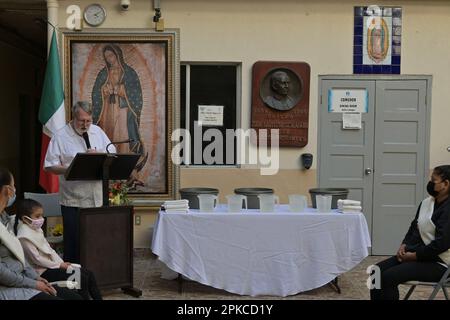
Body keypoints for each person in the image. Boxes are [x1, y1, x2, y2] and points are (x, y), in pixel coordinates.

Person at [44, 101, 116, 263]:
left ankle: (94, 277)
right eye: (81, 121)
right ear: (73, 118)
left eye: (88, 121)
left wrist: (99, 155)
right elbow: (49, 166)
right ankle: (74, 282)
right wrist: (72, 166)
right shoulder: (60, 136)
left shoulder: (97, 131)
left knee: (96, 241)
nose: (85, 125)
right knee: (74, 243)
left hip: (97, 198)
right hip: (73, 200)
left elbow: (113, 153)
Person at [0, 168, 82, 300]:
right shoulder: (22, 232)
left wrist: (36, 278)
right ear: (8, 190)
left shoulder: (5, 218)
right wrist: (34, 283)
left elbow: (20, 258)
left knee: (76, 295)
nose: (15, 190)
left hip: (26, 278)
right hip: (10, 287)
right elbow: (2, 273)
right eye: (13, 186)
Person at [370, 165, 450, 300]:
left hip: (441, 263)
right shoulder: (427, 203)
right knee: (375, 271)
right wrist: (404, 244)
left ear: (446, 184)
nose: (430, 183)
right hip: (420, 254)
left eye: (433, 180)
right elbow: (415, 226)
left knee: (389, 277)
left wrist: (414, 256)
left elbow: (441, 244)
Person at [14, 199, 102, 300]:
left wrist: (61, 263)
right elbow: (37, 259)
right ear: (25, 219)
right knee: (81, 278)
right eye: (37, 216)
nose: (41, 219)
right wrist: (59, 265)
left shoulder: (35, 229)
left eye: (42, 215)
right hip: (43, 272)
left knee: (88, 274)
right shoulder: (24, 237)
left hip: (53, 266)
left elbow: (49, 250)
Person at [91, 44, 148, 185]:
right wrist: (104, 90)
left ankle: (126, 174)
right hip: (107, 112)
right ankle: (109, 174)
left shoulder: (129, 73)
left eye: (111, 55)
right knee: (108, 138)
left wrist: (120, 90)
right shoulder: (103, 73)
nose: (109, 59)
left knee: (122, 139)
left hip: (123, 111)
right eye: (107, 57)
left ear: (118, 55)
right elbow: (96, 93)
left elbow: (136, 94)